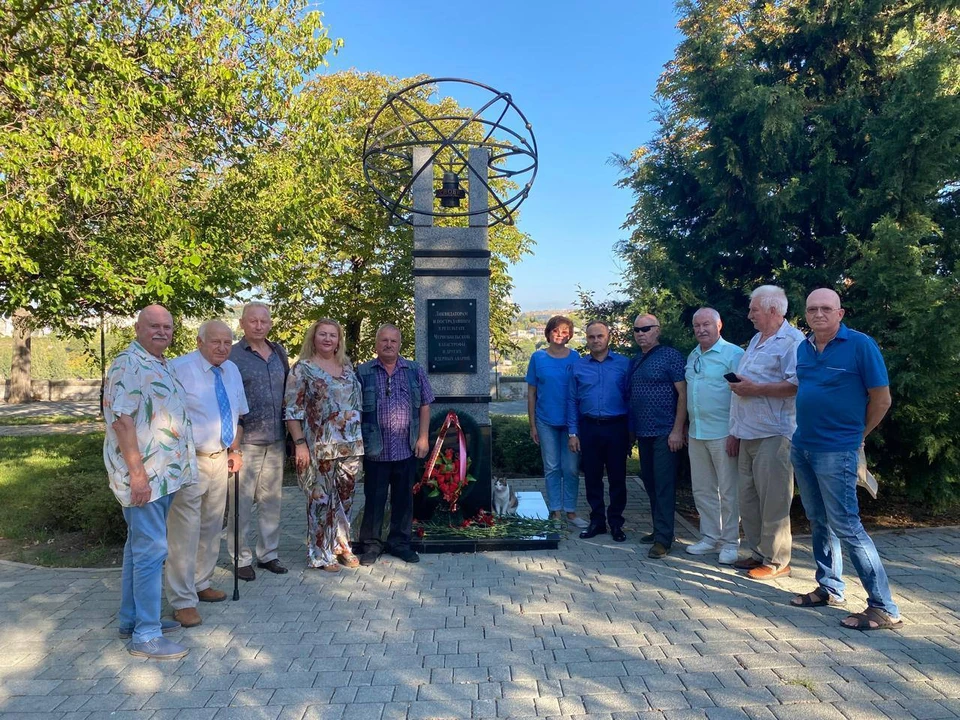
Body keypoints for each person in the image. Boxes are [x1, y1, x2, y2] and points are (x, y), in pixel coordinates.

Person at [790, 288, 901, 630]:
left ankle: (884, 606)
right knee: (818, 519)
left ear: (840, 313)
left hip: (837, 449)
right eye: (812, 309)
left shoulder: (860, 345)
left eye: (826, 308)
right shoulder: (804, 347)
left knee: (848, 526)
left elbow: (881, 399)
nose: (818, 314)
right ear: (806, 314)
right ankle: (830, 587)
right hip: (803, 446)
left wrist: (857, 437)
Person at [102, 304, 195, 660]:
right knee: (151, 551)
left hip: (164, 476)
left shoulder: (160, 363)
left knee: (137, 548)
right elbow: (122, 423)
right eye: (153, 326)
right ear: (138, 328)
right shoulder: (128, 363)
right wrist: (137, 473)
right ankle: (146, 635)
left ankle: (131, 620)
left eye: (167, 326)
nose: (162, 331)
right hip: (146, 477)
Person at [166, 320, 248, 628]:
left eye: (227, 342)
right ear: (200, 341)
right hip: (189, 460)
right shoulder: (179, 369)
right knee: (185, 531)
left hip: (221, 457)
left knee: (213, 526)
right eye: (215, 342)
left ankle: (201, 582)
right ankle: (182, 599)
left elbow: (238, 414)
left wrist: (236, 450)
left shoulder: (232, 371)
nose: (222, 348)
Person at [728, 285, 805, 581]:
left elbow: (797, 384)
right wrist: (734, 429)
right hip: (747, 431)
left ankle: (777, 561)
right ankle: (759, 552)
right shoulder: (757, 339)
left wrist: (755, 389)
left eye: (754, 310)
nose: (749, 315)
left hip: (775, 433)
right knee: (748, 498)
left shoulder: (793, 341)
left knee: (773, 499)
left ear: (773, 310)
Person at [284, 318, 363, 571]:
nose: (328, 339)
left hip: (351, 445)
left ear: (339, 340)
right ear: (313, 338)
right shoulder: (302, 369)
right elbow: (292, 410)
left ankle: (342, 547)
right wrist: (299, 444)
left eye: (333, 335)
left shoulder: (347, 367)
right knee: (321, 500)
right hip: (319, 446)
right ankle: (319, 553)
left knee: (345, 499)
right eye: (323, 335)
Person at [356, 323, 435, 566]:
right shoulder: (363, 372)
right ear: (376, 344)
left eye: (393, 341)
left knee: (403, 500)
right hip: (376, 450)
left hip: (406, 448)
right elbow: (354, 411)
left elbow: (424, 404)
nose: (389, 345)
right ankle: (371, 544)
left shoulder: (414, 370)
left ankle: (400, 543)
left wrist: (423, 437)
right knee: (374, 500)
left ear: (400, 344)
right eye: (384, 341)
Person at [227, 302, 290, 580]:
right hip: (246, 440)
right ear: (242, 324)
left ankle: (268, 554)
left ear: (270, 324)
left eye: (263, 321)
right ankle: (240, 558)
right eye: (252, 321)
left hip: (276, 438)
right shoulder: (232, 356)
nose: (258, 325)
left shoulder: (279, 353)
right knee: (240, 502)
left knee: (271, 501)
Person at [684, 308, 744, 565]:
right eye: (697, 325)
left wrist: (736, 432)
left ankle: (730, 542)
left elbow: (742, 396)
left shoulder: (734, 354)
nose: (701, 329)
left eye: (706, 324)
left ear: (719, 325)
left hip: (724, 433)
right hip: (697, 433)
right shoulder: (694, 354)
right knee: (703, 489)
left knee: (729, 491)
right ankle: (710, 537)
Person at [628, 313, 687, 559]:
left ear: (657, 330)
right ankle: (658, 529)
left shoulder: (671, 356)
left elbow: (683, 395)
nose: (641, 333)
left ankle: (664, 540)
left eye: (646, 329)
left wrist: (677, 430)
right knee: (650, 483)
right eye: (637, 330)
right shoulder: (635, 359)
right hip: (644, 432)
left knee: (663, 484)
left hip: (665, 431)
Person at [566, 320, 631, 542]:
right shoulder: (578, 366)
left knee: (617, 478)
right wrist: (573, 433)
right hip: (589, 428)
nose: (595, 340)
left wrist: (630, 433)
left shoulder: (624, 364)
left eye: (599, 336)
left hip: (616, 427)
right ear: (587, 339)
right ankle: (597, 521)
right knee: (592, 477)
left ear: (608, 337)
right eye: (591, 337)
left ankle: (615, 523)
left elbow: (631, 399)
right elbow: (572, 401)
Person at [526, 315, 586, 528]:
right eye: (556, 331)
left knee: (570, 468)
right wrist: (532, 424)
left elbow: (580, 391)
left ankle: (571, 511)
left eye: (565, 331)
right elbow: (531, 392)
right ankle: (555, 510)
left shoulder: (576, 358)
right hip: (545, 421)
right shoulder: (538, 358)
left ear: (570, 335)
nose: (560, 335)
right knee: (551, 467)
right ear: (549, 333)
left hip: (571, 423)